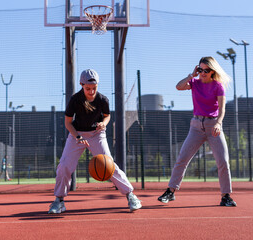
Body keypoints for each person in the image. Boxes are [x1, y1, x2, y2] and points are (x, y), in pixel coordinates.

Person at [48, 69, 142, 214]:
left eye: (94, 88)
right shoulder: (75, 100)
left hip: (97, 134)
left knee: (109, 165)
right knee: (64, 165)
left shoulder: (103, 100)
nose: (91, 91)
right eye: (88, 88)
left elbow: (107, 116)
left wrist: (104, 123)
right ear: (81, 85)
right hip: (77, 134)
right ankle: (59, 201)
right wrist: (78, 137)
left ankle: (131, 196)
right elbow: (68, 123)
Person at [158, 56, 236, 207]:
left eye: (206, 70)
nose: (203, 73)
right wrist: (191, 75)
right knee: (182, 158)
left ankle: (226, 196)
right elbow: (178, 87)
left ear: (213, 71)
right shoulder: (194, 83)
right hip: (196, 126)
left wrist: (219, 123)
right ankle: (170, 191)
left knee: (223, 161)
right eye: (201, 70)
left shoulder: (218, 86)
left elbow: (222, 109)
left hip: (213, 125)